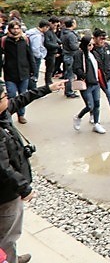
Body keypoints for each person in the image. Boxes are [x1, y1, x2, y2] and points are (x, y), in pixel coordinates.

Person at [0, 79, 66, 263]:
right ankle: (8, 258)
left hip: (11, 189)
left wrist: (48, 88)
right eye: (4, 96)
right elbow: (3, 167)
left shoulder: (3, 114)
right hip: (6, 194)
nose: (9, 99)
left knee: (9, 231)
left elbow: (22, 99)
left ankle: (11, 254)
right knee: (7, 232)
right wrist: (24, 188)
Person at [0, 21, 35, 124]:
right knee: (11, 94)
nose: (15, 30)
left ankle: (21, 115)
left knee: (22, 95)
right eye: (13, 28)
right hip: (10, 73)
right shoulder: (4, 41)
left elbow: (30, 55)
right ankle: (8, 115)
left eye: (17, 28)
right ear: (9, 29)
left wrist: (33, 70)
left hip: (24, 72)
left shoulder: (25, 40)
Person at [72, 35, 106, 134]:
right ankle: (78, 117)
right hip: (86, 84)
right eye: (89, 45)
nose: (91, 47)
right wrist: (84, 76)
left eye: (92, 44)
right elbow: (76, 68)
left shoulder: (93, 53)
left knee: (97, 104)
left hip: (96, 82)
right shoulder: (79, 54)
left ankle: (96, 123)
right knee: (90, 105)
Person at [25, 19, 49, 90]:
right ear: (45, 27)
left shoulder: (31, 32)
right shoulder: (37, 36)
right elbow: (35, 48)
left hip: (29, 55)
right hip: (35, 57)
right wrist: (40, 55)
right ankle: (33, 89)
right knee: (34, 73)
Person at [60, 18, 80, 99]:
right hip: (70, 56)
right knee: (70, 75)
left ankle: (68, 89)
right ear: (72, 24)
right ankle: (69, 91)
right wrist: (79, 45)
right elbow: (73, 46)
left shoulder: (64, 33)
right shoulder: (71, 35)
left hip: (66, 55)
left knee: (68, 74)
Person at [43, 16, 61, 86]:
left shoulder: (52, 32)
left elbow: (57, 39)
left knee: (51, 68)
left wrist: (61, 42)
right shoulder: (47, 32)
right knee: (49, 68)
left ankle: (49, 81)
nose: (55, 26)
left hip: (53, 52)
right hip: (49, 53)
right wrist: (57, 46)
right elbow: (47, 43)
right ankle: (48, 82)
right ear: (50, 23)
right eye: (54, 25)